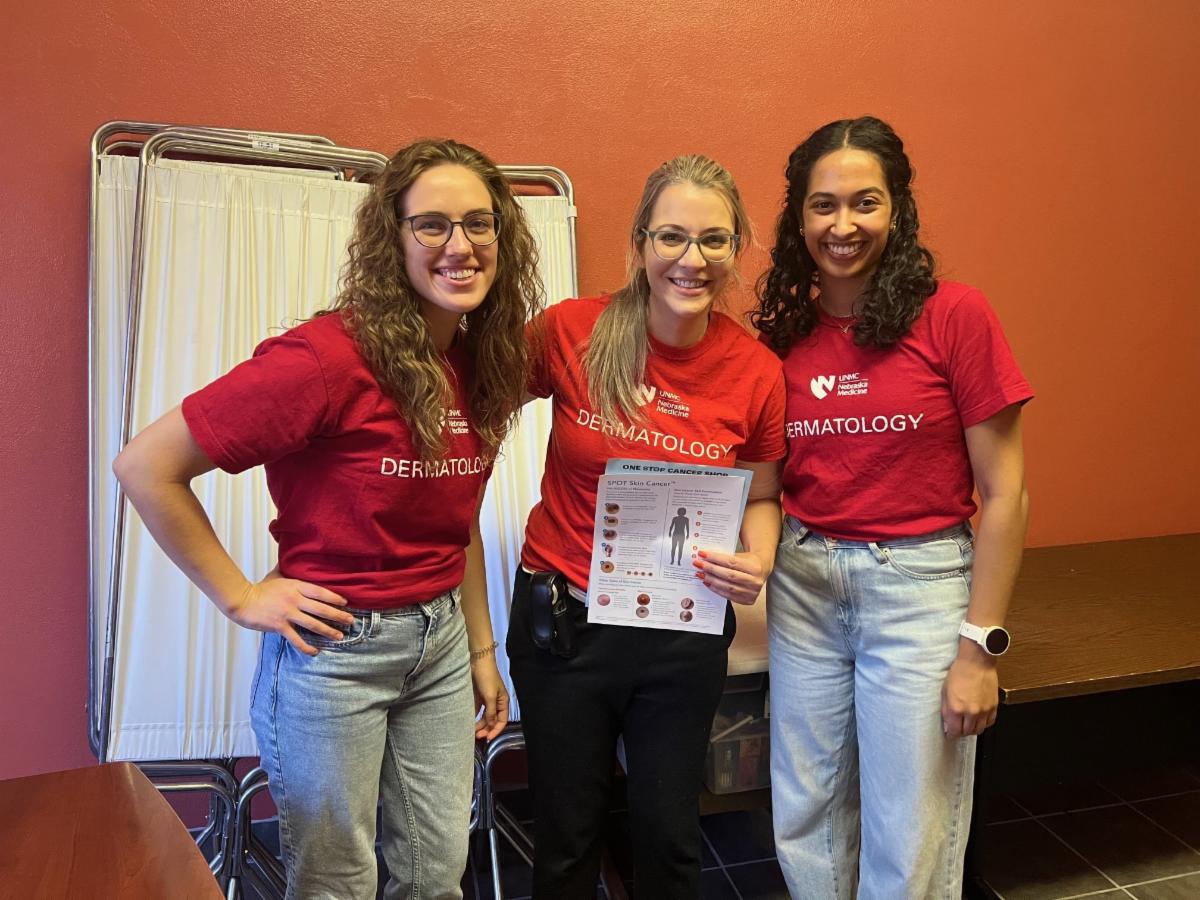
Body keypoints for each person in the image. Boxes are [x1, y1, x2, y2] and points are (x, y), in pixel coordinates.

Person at [113, 139, 543, 900]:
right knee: (336, 882)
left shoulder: (479, 359)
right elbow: (146, 466)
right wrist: (241, 596)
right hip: (335, 653)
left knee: (434, 873)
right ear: (393, 237)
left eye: (480, 223)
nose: (461, 245)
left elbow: (457, 515)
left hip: (439, 643)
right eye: (432, 225)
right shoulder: (325, 359)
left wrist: (481, 646)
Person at [753, 116, 1032, 899]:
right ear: (798, 217)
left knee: (909, 826)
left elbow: (1006, 494)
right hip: (804, 585)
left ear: (898, 209)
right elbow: (765, 485)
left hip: (919, 588)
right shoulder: (784, 334)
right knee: (806, 812)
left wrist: (979, 651)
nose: (842, 226)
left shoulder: (956, 315)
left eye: (864, 203)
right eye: (822, 206)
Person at [506, 155, 787, 899]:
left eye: (714, 241)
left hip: (682, 629)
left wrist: (758, 558)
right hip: (565, 622)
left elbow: (763, 495)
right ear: (638, 244)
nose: (691, 260)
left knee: (669, 838)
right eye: (671, 237)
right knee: (568, 837)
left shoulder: (755, 372)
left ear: (735, 249)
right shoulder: (571, 332)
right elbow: (471, 407)